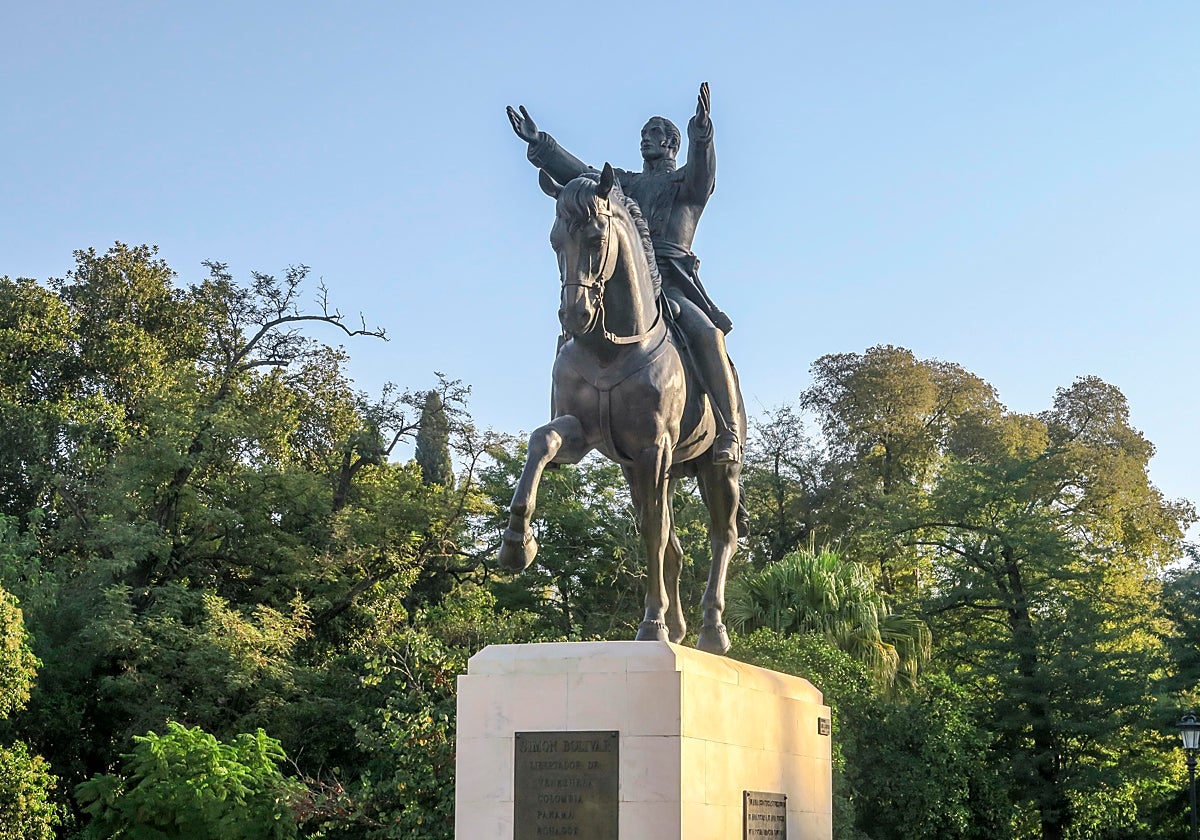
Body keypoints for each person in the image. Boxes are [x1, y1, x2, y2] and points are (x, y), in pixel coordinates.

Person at [507, 82, 742, 463]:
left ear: (670, 143)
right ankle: (565, 415)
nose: (644, 141)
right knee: (572, 332)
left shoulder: (686, 182)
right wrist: (541, 145)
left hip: (672, 281)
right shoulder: (625, 184)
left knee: (708, 335)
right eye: (642, 135)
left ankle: (729, 430)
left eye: (652, 135)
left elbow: (704, 172)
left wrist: (702, 133)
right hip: (623, 281)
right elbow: (580, 173)